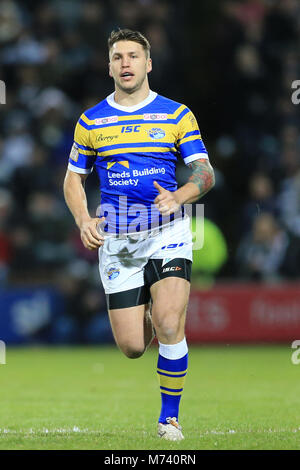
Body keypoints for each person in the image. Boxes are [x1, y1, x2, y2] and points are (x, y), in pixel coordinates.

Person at [63, 28, 215, 441]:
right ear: (109, 66)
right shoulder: (92, 120)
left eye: (133, 55)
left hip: (168, 231)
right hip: (119, 242)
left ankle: (169, 419)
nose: (125, 63)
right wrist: (83, 220)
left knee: (168, 323)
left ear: (149, 63)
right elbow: (73, 180)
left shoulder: (177, 114)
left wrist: (181, 195)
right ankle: (150, 305)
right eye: (118, 57)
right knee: (132, 346)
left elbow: (204, 172)